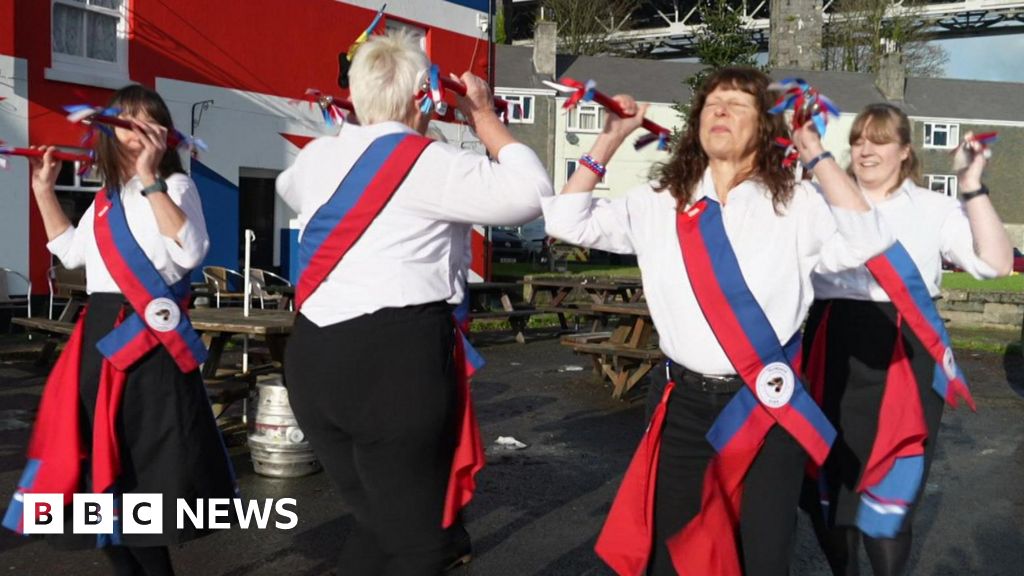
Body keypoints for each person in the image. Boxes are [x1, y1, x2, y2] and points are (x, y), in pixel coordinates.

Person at [542, 67, 894, 576]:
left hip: (767, 408)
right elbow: (564, 221)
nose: (720, 111)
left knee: (761, 554)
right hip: (680, 403)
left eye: (737, 104)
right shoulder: (660, 202)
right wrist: (610, 137)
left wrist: (812, 149)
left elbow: (870, 239)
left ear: (767, 129)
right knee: (677, 552)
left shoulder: (796, 203)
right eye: (711, 104)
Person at [276, 30, 552, 575]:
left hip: (311, 359)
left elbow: (288, 186)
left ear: (355, 96)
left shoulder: (315, 161)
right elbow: (531, 193)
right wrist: (485, 118)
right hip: (393, 361)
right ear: (424, 95)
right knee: (421, 544)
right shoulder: (433, 164)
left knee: (379, 522)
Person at [3, 84, 237, 576]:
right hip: (100, 345)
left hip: (151, 350)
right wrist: (44, 191)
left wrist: (152, 178)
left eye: (147, 120)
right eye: (126, 121)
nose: (136, 130)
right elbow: (69, 253)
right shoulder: (108, 200)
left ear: (161, 133)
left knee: (142, 483)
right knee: (96, 488)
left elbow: (191, 252)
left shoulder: (176, 188)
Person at [800, 103, 1013, 576]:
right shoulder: (818, 198)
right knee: (827, 484)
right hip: (832, 344)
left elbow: (996, 264)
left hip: (907, 352)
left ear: (905, 151)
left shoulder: (933, 207)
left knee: (893, 488)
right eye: (857, 140)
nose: (864, 150)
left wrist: (972, 185)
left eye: (878, 140)